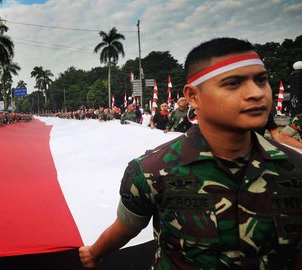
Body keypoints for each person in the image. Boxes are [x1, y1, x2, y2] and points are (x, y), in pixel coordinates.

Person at [79, 37, 302, 269]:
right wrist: (93, 253)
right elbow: (126, 227)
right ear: (193, 96)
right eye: (233, 83)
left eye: (262, 80)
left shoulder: (294, 169)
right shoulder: (151, 171)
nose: (256, 93)